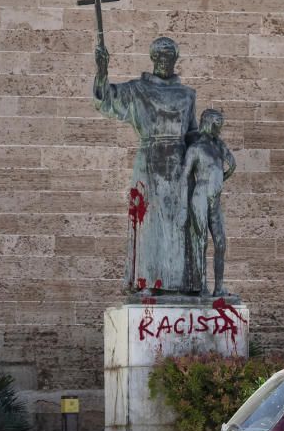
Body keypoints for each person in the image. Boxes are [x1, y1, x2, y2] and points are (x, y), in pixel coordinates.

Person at [93, 36, 198, 295]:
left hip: (179, 165)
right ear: (152, 59)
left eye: (169, 56)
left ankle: (179, 284)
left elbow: (193, 132)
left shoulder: (187, 95)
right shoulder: (137, 89)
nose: (164, 61)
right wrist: (102, 72)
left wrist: (209, 152)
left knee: (178, 224)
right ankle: (147, 282)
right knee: (149, 224)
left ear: (175, 60)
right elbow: (106, 101)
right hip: (149, 161)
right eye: (159, 56)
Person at [180, 108, 236, 297]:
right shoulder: (195, 149)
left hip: (215, 198)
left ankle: (219, 287)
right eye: (217, 125)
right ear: (209, 123)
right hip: (200, 196)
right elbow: (184, 175)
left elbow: (232, 165)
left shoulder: (218, 145)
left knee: (220, 242)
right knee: (201, 240)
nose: (219, 129)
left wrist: (219, 180)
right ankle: (201, 285)